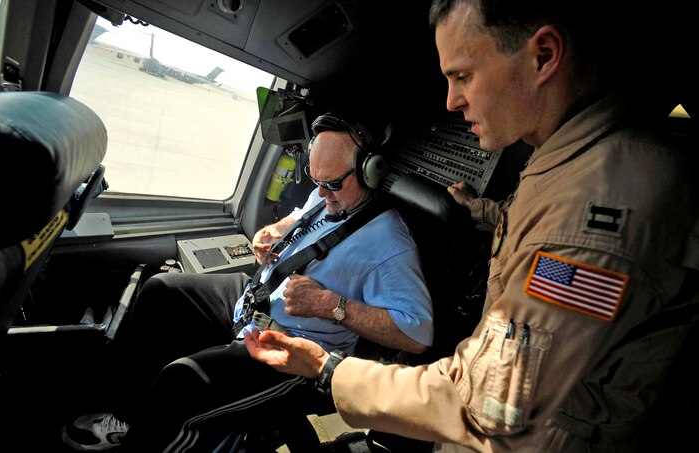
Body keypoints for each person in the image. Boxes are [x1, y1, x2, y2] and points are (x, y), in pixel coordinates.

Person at [245, 0, 698, 451]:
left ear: (543, 56)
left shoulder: (600, 199)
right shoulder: (569, 157)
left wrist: (327, 369)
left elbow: (492, 403)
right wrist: (480, 211)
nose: (451, 100)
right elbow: (533, 223)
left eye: (463, 76)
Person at [61, 113, 433, 452]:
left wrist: (329, 306)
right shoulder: (329, 198)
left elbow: (417, 334)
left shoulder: (390, 244)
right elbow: (299, 216)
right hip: (255, 301)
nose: (321, 192)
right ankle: (126, 419)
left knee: (182, 383)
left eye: (332, 183)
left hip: (296, 349)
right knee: (162, 289)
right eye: (316, 180)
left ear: (370, 171)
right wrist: (274, 230)